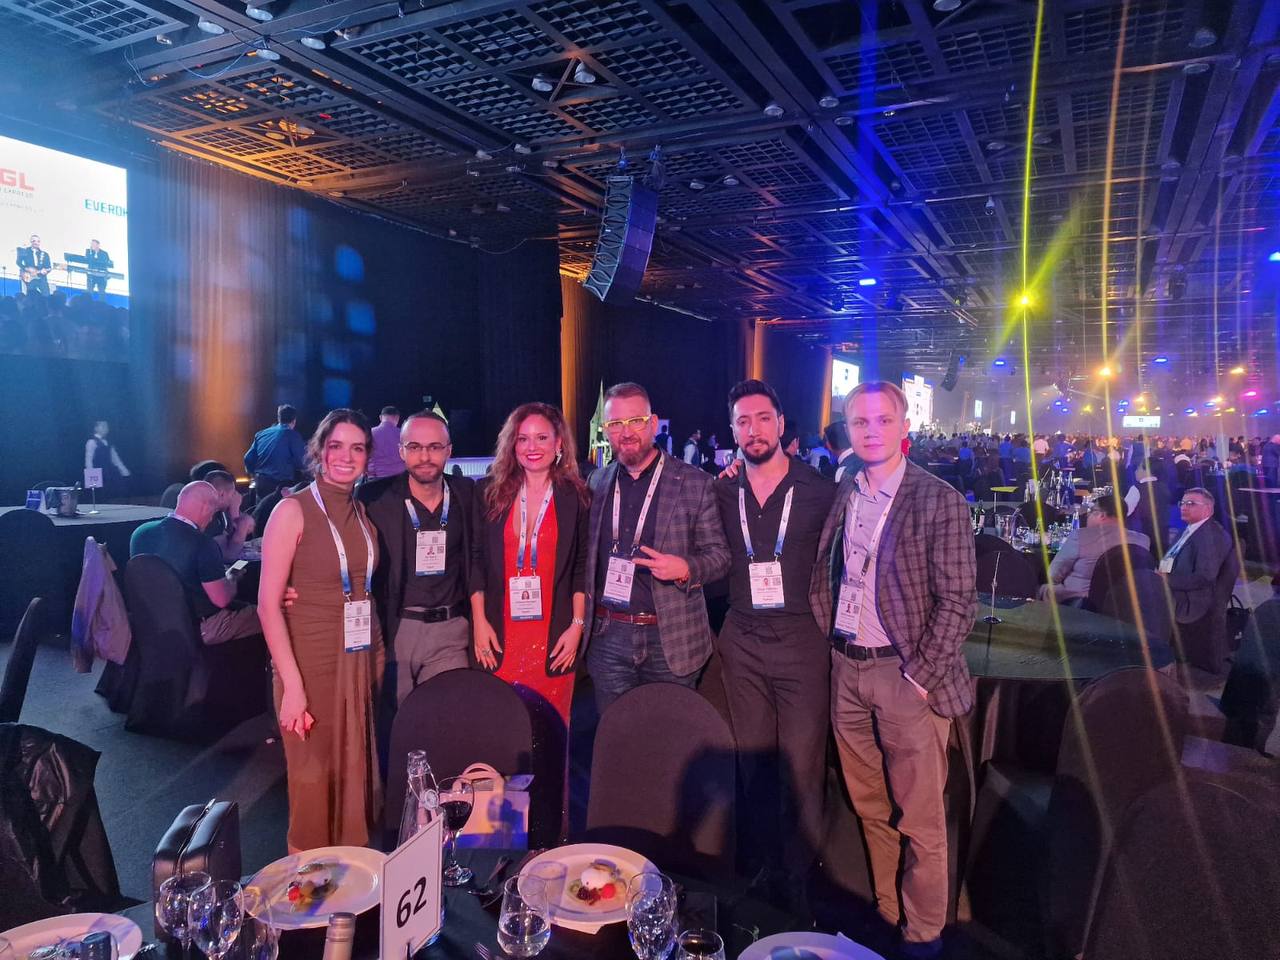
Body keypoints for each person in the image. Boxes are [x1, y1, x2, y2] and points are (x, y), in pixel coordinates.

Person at [810, 380, 976, 958]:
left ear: (905, 427)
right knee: (870, 807)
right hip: (847, 669)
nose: (872, 431)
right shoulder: (847, 489)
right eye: (860, 422)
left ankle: (923, 935)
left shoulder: (938, 499)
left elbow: (959, 602)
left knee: (921, 822)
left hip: (904, 675)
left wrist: (920, 676)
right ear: (848, 430)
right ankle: (888, 912)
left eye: (884, 420)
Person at [713, 380, 835, 909]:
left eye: (763, 418)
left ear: (781, 424)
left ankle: (801, 877)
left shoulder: (821, 491)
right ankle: (764, 868)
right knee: (754, 761)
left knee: (802, 765)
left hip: (802, 641)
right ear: (733, 431)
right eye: (743, 421)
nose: (754, 429)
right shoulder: (721, 490)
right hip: (741, 639)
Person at [258, 408, 383, 851]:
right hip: (310, 662)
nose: (346, 457)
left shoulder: (360, 511)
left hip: (357, 657)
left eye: (357, 448)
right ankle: (307, 884)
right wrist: (293, 687)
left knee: (350, 775)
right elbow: (268, 606)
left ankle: (349, 875)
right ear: (319, 450)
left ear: (367, 456)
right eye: (336, 446)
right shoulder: (292, 510)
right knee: (311, 780)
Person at [469, 402, 589, 845]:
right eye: (523, 438)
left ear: (559, 444)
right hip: (500, 637)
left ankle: (547, 840)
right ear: (511, 445)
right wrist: (479, 622)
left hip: (553, 637)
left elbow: (581, 567)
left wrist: (577, 626)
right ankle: (498, 843)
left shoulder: (575, 497)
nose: (532, 447)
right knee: (500, 735)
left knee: (551, 738)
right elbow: (476, 561)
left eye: (541, 438)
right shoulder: (491, 493)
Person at [583, 383, 730, 712]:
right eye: (615, 424)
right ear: (605, 429)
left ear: (652, 423)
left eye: (635, 421)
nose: (626, 432)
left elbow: (720, 556)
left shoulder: (694, 482)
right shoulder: (597, 483)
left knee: (670, 734)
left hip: (670, 637)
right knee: (616, 732)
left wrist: (687, 568)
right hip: (609, 636)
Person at [361, 409, 474, 705]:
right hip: (397, 629)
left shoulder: (468, 493)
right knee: (400, 724)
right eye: (414, 447)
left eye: (434, 447)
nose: (425, 456)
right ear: (401, 451)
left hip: (451, 631)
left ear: (449, 450)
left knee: (447, 719)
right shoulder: (373, 499)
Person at [130, 481, 260, 644]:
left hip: (152, 624)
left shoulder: (140, 533)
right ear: (206, 508)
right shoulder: (202, 543)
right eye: (213, 512)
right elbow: (221, 600)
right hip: (198, 628)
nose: (211, 518)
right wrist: (233, 577)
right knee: (271, 616)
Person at [1160, 487, 1236, 672]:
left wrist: (1166, 580)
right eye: (1182, 503)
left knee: (1138, 598)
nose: (1183, 507)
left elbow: (1205, 577)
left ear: (1208, 509)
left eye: (1191, 503)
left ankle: (1152, 658)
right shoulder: (1190, 529)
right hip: (1176, 585)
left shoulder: (1211, 536)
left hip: (1192, 598)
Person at [1040, 492, 1150, 603]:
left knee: (1041, 588)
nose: (1088, 515)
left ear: (1102, 515)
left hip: (1079, 602)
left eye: (1092, 511)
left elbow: (1053, 575)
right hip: (1124, 603)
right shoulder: (1143, 540)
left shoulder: (1080, 536)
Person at [244, 404, 307, 498]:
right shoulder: (292, 436)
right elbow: (302, 462)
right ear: (294, 420)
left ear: (279, 418)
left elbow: (248, 459)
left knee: (261, 507)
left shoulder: (261, 434)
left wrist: (253, 475)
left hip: (261, 484)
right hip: (280, 487)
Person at [202, 470, 257, 562]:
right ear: (222, 494)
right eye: (232, 494)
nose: (235, 497)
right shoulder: (210, 517)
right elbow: (228, 556)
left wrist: (234, 512)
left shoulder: (219, 512)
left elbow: (229, 538)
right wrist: (243, 526)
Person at [1125, 464, 1173, 559]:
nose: (1135, 471)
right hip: (1162, 533)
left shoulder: (1136, 488)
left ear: (1147, 471)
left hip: (1142, 534)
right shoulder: (1164, 486)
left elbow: (1125, 511)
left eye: (1138, 468)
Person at [84, 419, 130, 496]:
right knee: (99, 495)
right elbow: (89, 461)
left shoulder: (108, 442)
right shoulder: (91, 442)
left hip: (108, 472)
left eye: (107, 426)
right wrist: (91, 478)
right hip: (97, 473)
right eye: (103, 426)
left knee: (111, 493)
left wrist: (124, 471)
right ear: (96, 428)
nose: (106, 428)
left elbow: (115, 459)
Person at [367, 405, 407, 480]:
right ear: (397, 418)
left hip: (376, 478)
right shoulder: (403, 434)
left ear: (380, 417)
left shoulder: (370, 433)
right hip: (400, 477)